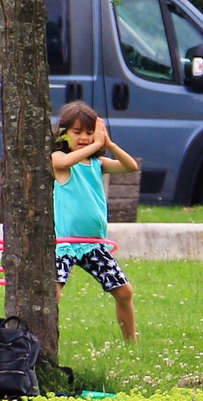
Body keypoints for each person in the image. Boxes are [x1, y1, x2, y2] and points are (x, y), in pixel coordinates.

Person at [52, 100, 141, 342]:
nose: (84, 137)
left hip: (93, 244)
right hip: (64, 244)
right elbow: (62, 162)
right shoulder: (60, 159)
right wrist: (97, 144)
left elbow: (130, 166)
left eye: (90, 133)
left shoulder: (97, 164)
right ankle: (42, 341)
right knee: (53, 293)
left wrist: (108, 144)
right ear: (63, 134)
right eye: (77, 132)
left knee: (124, 291)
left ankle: (131, 342)